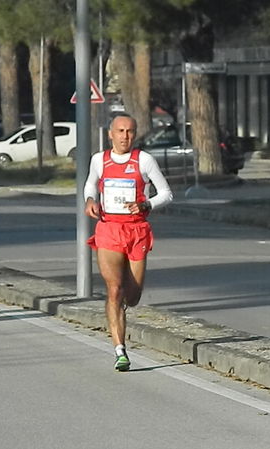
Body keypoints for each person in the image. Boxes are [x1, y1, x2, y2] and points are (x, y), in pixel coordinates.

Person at [84, 113, 173, 371]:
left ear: (135, 134)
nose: (125, 136)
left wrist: (146, 203)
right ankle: (119, 350)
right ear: (110, 134)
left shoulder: (144, 160)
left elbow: (166, 193)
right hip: (109, 229)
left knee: (132, 296)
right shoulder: (99, 160)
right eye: (120, 131)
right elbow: (90, 185)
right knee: (114, 289)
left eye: (130, 131)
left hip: (136, 231)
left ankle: (123, 301)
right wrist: (90, 201)